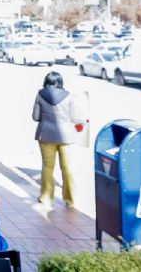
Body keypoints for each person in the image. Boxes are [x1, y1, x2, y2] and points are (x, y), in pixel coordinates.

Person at [32, 71, 86, 208]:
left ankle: (45, 197)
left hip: (45, 136)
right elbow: (76, 118)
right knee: (67, 168)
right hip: (65, 137)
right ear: (60, 82)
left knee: (47, 167)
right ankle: (70, 200)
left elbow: (36, 117)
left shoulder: (40, 94)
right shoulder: (69, 96)